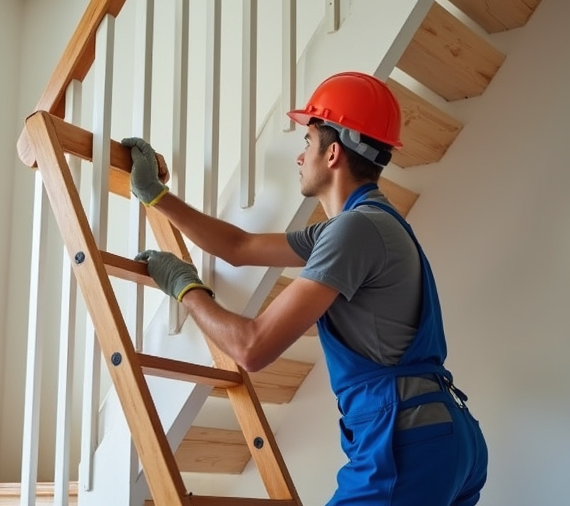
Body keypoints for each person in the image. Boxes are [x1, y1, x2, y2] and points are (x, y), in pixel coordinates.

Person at [123, 71, 488, 505]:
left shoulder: (354, 230)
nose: (300, 157)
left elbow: (251, 347)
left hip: (404, 438)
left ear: (332, 153)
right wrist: (155, 196)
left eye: (307, 142)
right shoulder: (367, 224)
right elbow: (238, 247)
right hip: (443, 431)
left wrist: (186, 287)